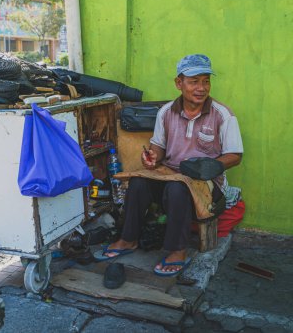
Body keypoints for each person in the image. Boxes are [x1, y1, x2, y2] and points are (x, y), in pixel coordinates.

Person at [94, 54, 243, 276]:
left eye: (206, 81)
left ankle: (177, 250)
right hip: (171, 175)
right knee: (138, 181)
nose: (201, 88)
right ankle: (128, 239)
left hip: (207, 184)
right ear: (179, 83)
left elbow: (235, 155)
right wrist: (152, 158)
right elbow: (158, 149)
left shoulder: (222, 115)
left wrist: (212, 166)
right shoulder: (166, 113)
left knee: (178, 188)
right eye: (194, 81)